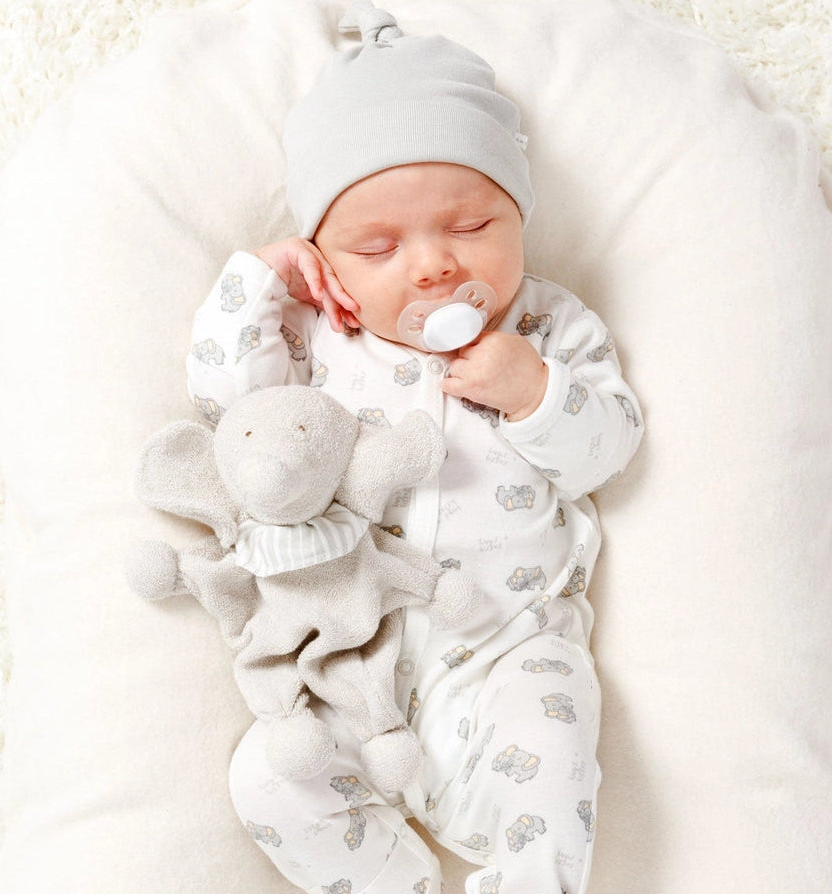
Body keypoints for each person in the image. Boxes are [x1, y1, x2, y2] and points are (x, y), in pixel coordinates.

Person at [186, 3, 643, 891]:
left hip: (505, 651)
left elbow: (608, 450)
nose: (432, 265)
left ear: (518, 213)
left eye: (470, 227)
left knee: (554, 741)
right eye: (378, 245)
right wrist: (261, 283)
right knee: (268, 781)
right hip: (348, 668)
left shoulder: (549, 326)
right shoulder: (321, 337)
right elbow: (230, 412)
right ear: (327, 259)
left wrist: (536, 394)